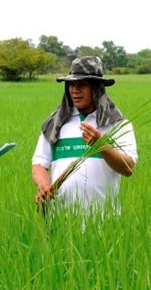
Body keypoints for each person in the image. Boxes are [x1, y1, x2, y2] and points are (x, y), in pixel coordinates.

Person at [31, 56, 137, 212]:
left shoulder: (117, 124)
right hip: (59, 221)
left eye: (82, 84)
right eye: (71, 84)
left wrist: (101, 146)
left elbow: (128, 168)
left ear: (96, 87)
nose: (75, 90)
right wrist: (43, 184)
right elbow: (39, 164)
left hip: (105, 222)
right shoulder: (55, 124)